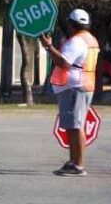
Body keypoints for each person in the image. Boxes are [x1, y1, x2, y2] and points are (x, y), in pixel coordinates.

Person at [41, 9, 99, 176]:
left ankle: (78, 165)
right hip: (83, 84)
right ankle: (73, 161)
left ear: (72, 24)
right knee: (73, 126)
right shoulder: (90, 39)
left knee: (75, 126)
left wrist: (49, 47)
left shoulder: (77, 41)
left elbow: (64, 62)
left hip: (75, 87)